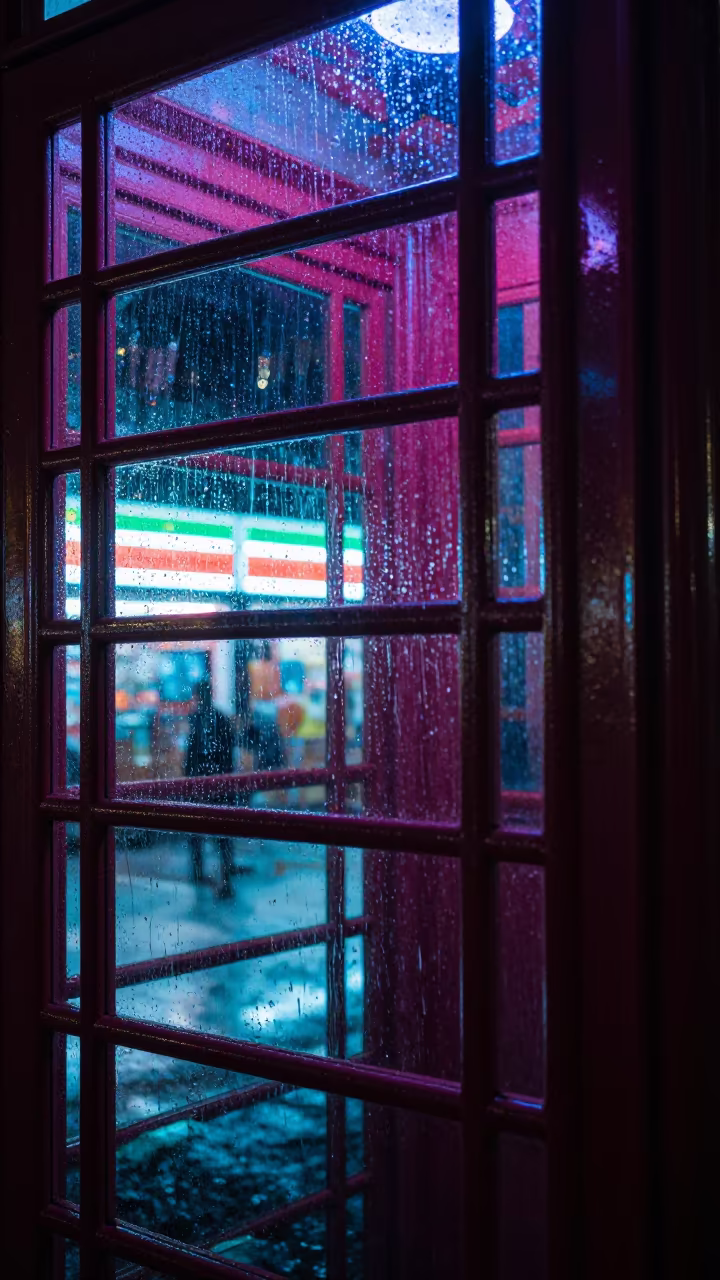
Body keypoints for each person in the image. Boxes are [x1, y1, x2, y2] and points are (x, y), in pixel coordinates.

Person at [184, 678, 235, 897]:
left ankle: (201, 871)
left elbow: (191, 754)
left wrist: (189, 780)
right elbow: (229, 753)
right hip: (218, 783)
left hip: (202, 783)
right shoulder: (219, 717)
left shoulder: (197, 718)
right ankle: (224, 875)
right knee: (221, 832)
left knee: (199, 829)